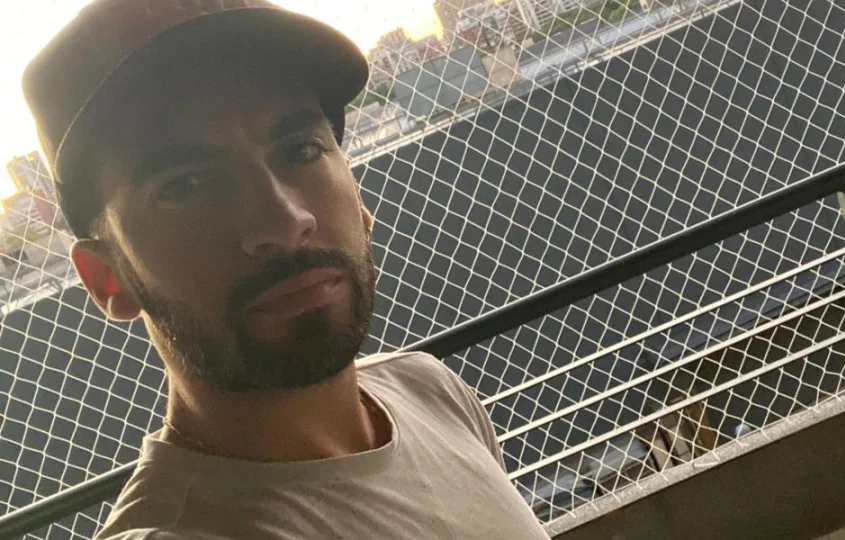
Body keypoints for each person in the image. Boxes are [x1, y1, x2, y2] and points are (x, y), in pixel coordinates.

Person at [22, 1, 551, 538]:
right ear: (107, 277)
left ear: (359, 199)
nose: (285, 220)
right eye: (185, 186)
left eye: (301, 150)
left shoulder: (429, 392)